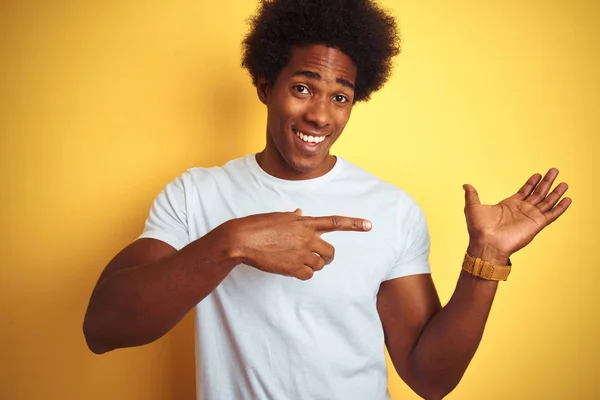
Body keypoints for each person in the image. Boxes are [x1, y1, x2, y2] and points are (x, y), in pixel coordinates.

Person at [82, 0, 572, 399]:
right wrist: (232, 243)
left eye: (340, 97)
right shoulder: (196, 194)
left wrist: (486, 259)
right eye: (302, 88)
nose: (320, 115)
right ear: (264, 87)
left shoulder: (390, 208)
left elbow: (430, 379)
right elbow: (102, 329)